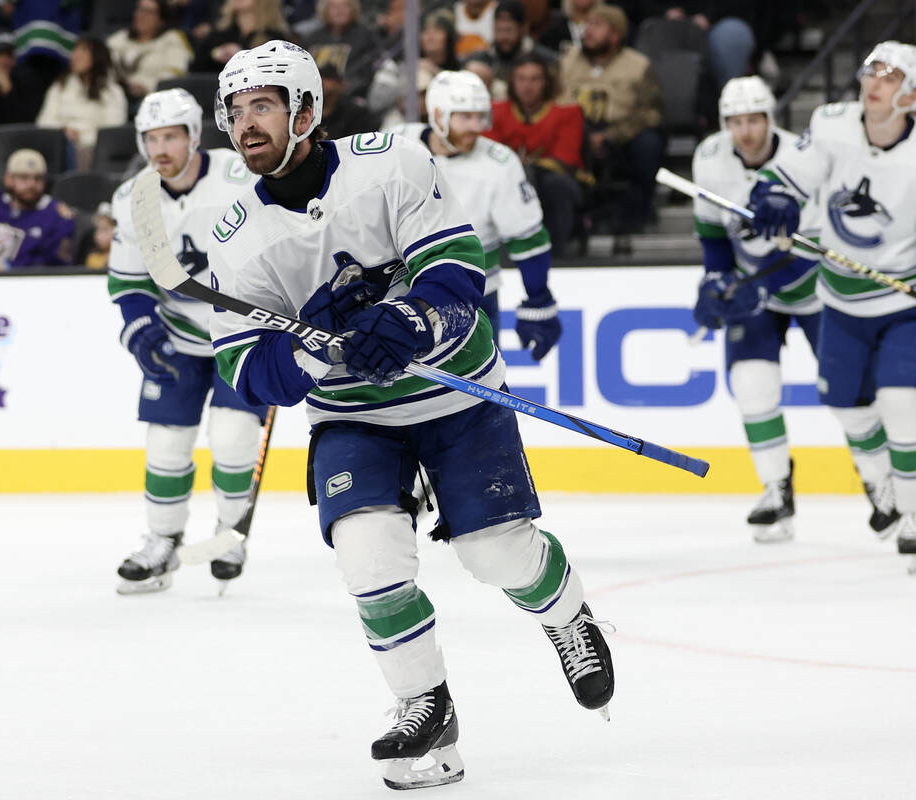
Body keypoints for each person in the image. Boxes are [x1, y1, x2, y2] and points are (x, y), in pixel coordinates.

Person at [208, 40, 613, 789]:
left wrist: (411, 322)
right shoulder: (237, 234)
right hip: (351, 415)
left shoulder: (392, 162)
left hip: (454, 390)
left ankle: (568, 616)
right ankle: (426, 712)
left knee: (495, 555)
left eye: (261, 105)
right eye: (234, 111)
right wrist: (312, 357)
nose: (245, 124)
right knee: (367, 560)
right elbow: (242, 368)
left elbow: (458, 274)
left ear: (306, 110)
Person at [748, 41, 916, 570]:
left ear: (911, 94)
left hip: (912, 300)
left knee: (904, 401)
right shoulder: (831, 124)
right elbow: (787, 177)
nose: (874, 80)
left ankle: (914, 512)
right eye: (871, 70)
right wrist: (775, 198)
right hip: (842, 299)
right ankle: (880, 486)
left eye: (889, 75)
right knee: (847, 405)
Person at [107, 89, 266, 594]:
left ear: (195, 135)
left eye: (171, 136)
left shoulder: (242, 179)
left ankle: (229, 532)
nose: (161, 148)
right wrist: (141, 329)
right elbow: (130, 282)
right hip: (178, 332)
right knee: (166, 445)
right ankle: (162, 542)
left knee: (233, 437)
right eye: (151, 138)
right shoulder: (135, 197)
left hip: (240, 332)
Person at [690, 76, 820, 542]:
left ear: (771, 120)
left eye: (754, 120)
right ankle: (776, 489)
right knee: (751, 385)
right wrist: (716, 280)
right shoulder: (709, 158)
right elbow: (711, 232)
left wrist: (759, 288)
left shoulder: (803, 159)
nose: (746, 132)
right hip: (754, 286)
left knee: (850, 393)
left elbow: (816, 247)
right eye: (736, 122)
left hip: (815, 287)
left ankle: (883, 483)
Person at [393, 69, 560, 360]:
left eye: (479, 116)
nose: (475, 126)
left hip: (473, 301)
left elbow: (527, 240)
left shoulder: (499, 163)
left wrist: (539, 301)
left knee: (479, 395)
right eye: (465, 117)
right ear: (438, 114)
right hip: (399, 298)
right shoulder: (396, 145)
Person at [559, 3, 663, 250]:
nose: (588, 30)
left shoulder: (638, 65)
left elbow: (650, 113)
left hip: (622, 134)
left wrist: (612, 134)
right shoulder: (569, 61)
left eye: (597, 25)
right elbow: (556, 101)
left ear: (615, 34)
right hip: (576, 133)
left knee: (649, 144)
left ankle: (638, 212)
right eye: (587, 24)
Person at [485, 52, 587, 256]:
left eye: (535, 79)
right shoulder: (495, 111)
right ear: (511, 82)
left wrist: (526, 167)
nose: (527, 86)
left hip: (556, 180)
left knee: (556, 186)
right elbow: (489, 154)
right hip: (508, 180)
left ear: (546, 83)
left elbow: (565, 157)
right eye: (521, 79)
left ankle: (557, 254)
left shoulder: (568, 113)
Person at [0, 148, 75, 271]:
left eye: (38, 178)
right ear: (8, 178)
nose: (32, 184)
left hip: (27, 283)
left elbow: (57, 263)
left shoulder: (58, 215)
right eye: (24, 177)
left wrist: (9, 268)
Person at [36, 35, 127, 169]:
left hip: (92, 147)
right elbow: (44, 121)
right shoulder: (60, 86)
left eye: (83, 51)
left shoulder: (111, 91)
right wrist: (62, 131)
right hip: (61, 144)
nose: (75, 55)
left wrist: (82, 138)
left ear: (97, 56)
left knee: (80, 152)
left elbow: (112, 131)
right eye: (75, 50)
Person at [105, 0, 193, 103]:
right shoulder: (120, 38)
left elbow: (175, 75)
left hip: (154, 100)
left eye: (148, 12)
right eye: (139, 10)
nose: (140, 15)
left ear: (161, 19)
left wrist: (146, 86)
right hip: (113, 96)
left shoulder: (172, 39)